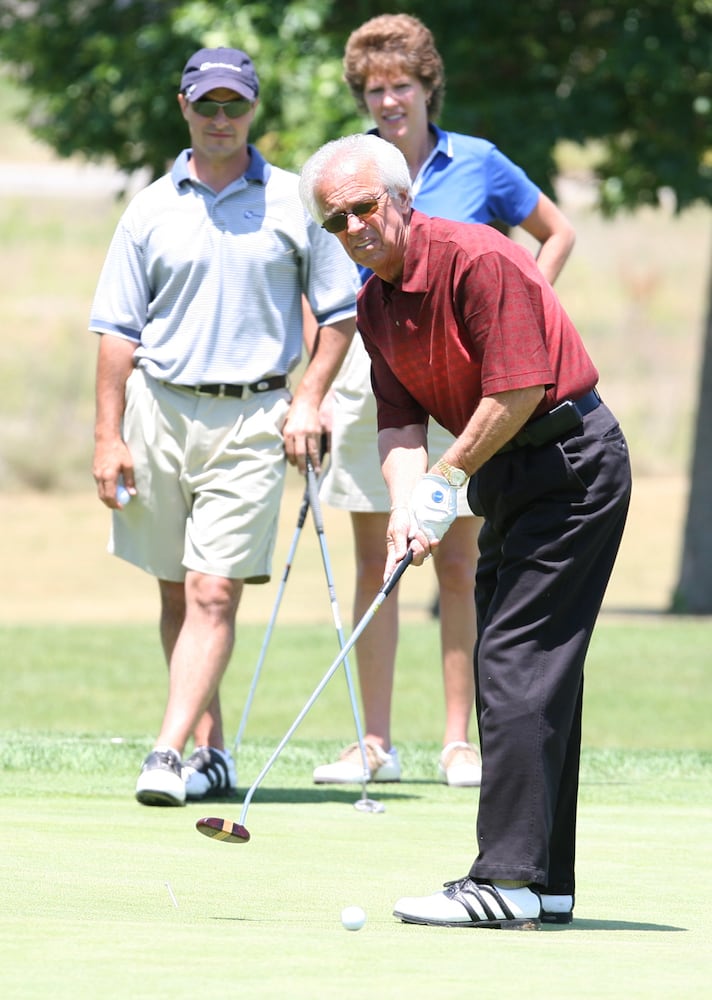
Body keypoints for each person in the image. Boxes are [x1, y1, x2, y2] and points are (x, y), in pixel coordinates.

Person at [299, 133, 631, 928]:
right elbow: (398, 425)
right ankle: (545, 879)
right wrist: (409, 504)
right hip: (511, 481)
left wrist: (446, 483)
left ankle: (505, 880)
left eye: (364, 208)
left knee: (517, 663)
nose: (353, 229)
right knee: (519, 669)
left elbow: (517, 390)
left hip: (571, 465)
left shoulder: (477, 260)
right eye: (335, 220)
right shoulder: (375, 302)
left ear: (402, 200)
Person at [90, 47, 359, 807]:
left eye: (232, 105)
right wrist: (107, 435)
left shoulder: (293, 201)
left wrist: (309, 398)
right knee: (177, 594)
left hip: (254, 416)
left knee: (214, 592)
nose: (219, 119)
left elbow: (340, 315)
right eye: (206, 105)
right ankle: (210, 750)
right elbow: (116, 330)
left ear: (253, 110)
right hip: (159, 410)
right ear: (183, 106)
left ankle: (166, 755)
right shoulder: (148, 206)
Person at [312, 14, 576, 789]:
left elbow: (553, 234)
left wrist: (518, 323)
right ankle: (375, 742)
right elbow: (330, 296)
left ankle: (458, 741)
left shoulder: (480, 161)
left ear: (429, 86)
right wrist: (315, 388)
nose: (388, 100)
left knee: (458, 562)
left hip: (474, 394)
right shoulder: (353, 168)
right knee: (381, 558)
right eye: (374, 89)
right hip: (388, 369)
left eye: (401, 86)